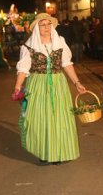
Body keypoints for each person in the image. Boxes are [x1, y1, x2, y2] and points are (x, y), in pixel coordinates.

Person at [12, 13, 87, 165]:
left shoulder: (60, 42)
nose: (46, 27)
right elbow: (23, 69)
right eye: (42, 24)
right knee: (38, 118)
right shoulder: (29, 46)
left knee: (59, 117)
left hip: (58, 83)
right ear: (37, 28)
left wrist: (77, 83)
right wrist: (18, 86)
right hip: (37, 83)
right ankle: (43, 151)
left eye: (48, 24)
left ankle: (59, 152)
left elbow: (67, 64)